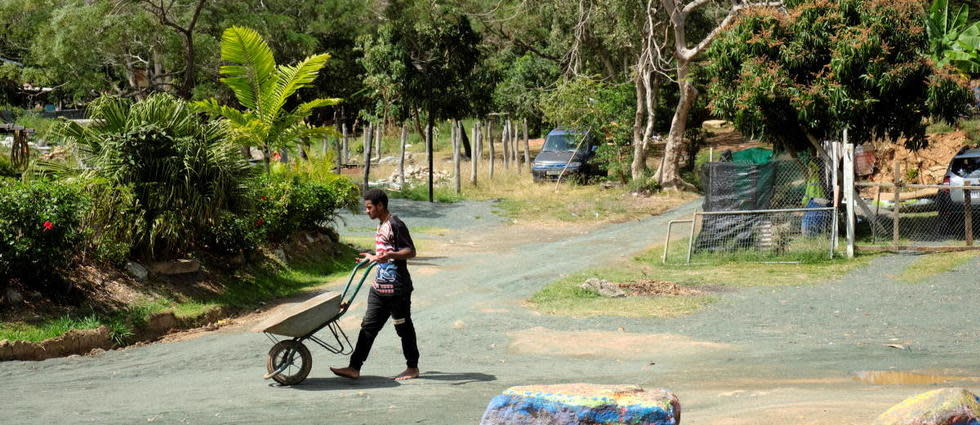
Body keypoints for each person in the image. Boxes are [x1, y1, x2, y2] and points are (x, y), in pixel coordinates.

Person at [331, 189, 420, 381]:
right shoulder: (382, 225)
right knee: (368, 327)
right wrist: (373, 257)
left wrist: (391, 255)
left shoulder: (395, 224)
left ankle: (412, 368)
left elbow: (410, 251)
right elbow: (385, 253)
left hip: (397, 291)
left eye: (369, 207)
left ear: (380, 206)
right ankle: (354, 367)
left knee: (403, 328)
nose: (367, 211)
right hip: (379, 288)